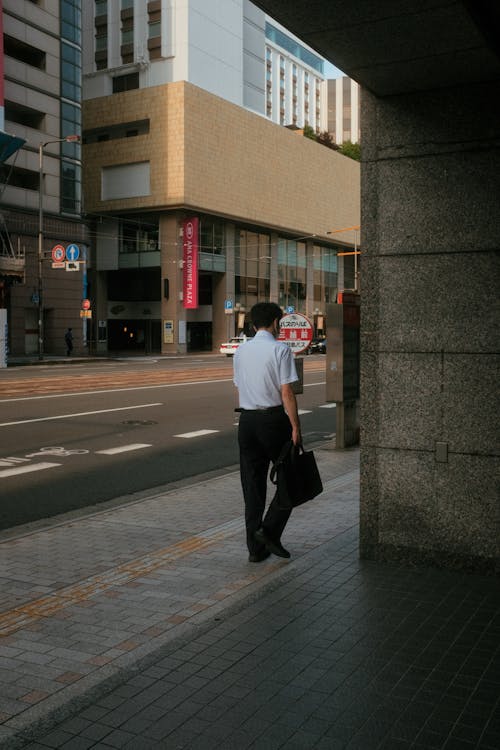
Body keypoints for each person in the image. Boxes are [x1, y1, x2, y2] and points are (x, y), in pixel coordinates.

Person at [233, 302, 302, 563]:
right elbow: (287, 392)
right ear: (275, 323)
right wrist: (296, 427)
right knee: (291, 478)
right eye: (280, 323)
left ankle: (255, 549)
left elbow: (238, 386)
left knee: (252, 486)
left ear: (252, 325)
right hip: (273, 421)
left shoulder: (241, 351)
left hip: (247, 422)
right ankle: (269, 531)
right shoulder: (280, 349)